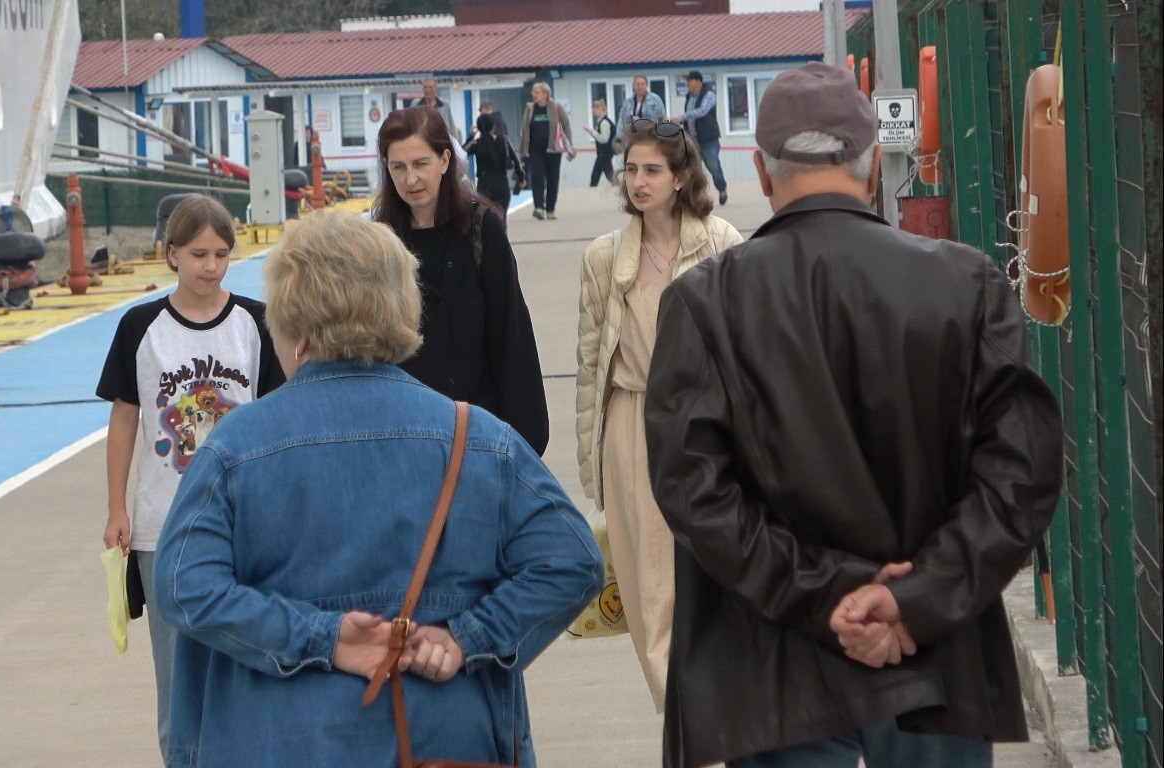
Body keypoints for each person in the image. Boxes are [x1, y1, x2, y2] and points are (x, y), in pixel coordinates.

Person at [643, 62, 1064, 768]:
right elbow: (1022, 474)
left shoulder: (703, 303)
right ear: (871, 170)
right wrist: (912, 599)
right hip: (937, 668)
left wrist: (829, 593)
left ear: (763, 172)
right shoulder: (968, 285)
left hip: (777, 679)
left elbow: (693, 491)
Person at [152, 208, 603, 767]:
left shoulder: (234, 448)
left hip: (276, 741)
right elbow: (574, 561)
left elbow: (181, 583)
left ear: (296, 329)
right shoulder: (479, 439)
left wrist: (320, 638)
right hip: (441, 737)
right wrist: (467, 636)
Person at [95, 194, 285, 762]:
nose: (211, 266)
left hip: (245, 525)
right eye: (199, 253)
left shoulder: (256, 323)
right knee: (176, 672)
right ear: (171, 253)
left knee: (247, 660)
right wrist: (116, 510)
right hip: (164, 527)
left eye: (222, 254)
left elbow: (276, 420)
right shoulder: (140, 327)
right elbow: (125, 418)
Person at [575, 117, 742, 712]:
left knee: (714, 578)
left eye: (653, 170)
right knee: (650, 596)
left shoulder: (721, 241)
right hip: (633, 425)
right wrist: (592, 460)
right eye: (631, 169)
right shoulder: (603, 257)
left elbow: (747, 349)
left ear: (680, 177)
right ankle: (689, 728)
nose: (639, 182)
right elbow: (592, 362)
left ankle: (720, 718)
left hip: (707, 424)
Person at [374, 106, 549, 454]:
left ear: (444, 159)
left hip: (478, 431)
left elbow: (510, 334)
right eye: (399, 167)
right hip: (409, 434)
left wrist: (523, 441)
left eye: (420, 163)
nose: (411, 180)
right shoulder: (380, 242)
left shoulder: (483, 230)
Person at [517, 82, 576, 220]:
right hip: (534, 150)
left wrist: (570, 146)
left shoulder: (556, 107)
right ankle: (538, 207)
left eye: (537, 92)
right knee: (537, 177)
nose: (534, 95)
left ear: (545, 94)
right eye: (533, 92)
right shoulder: (530, 108)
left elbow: (566, 126)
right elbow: (524, 130)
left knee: (552, 179)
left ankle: (550, 209)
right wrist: (521, 151)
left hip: (553, 150)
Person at [672, 70, 728, 205]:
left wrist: (682, 117)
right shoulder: (689, 97)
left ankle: (722, 189)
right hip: (693, 139)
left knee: (713, 166)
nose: (687, 84)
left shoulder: (709, 94)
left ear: (698, 81)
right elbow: (690, 116)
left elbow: (702, 111)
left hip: (708, 139)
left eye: (689, 81)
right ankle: (696, 196)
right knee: (692, 169)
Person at [464, 112, 525, 225]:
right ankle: (502, 241)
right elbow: (516, 161)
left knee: (486, 221)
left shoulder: (476, 144)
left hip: (485, 184)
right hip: (502, 183)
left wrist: (471, 136)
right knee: (502, 220)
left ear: (479, 128)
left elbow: (461, 152)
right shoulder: (504, 141)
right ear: (493, 126)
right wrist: (521, 178)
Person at [615, 75, 666, 145]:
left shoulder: (655, 99)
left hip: (650, 138)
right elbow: (621, 120)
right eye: (637, 84)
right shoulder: (628, 101)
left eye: (642, 84)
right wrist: (619, 138)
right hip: (631, 139)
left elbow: (661, 119)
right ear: (634, 86)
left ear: (646, 85)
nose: (640, 86)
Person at [585, 99, 616, 186]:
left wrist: (593, 132)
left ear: (600, 109)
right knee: (598, 174)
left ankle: (620, 189)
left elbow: (604, 139)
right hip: (604, 153)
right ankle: (618, 188)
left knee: (606, 173)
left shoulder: (604, 122)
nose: (594, 112)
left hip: (604, 153)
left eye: (595, 109)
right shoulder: (603, 122)